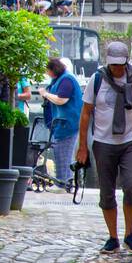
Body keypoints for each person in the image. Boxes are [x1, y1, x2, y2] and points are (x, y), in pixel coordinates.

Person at [76, 41, 132, 253]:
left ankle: (130, 234)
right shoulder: (97, 79)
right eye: (113, 65)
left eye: (120, 64)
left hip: (128, 141)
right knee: (106, 192)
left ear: (126, 61)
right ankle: (112, 237)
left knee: (130, 186)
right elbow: (85, 113)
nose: (117, 68)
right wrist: (82, 146)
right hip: (102, 142)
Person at [38, 56, 83, 187]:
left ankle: (65, 184)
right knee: (60, 154)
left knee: (64, 155)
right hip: (61, 123)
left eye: (47, 70)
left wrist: (45, 94)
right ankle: (63, 183)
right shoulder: (59, 79)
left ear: (53, 69)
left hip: (68, 124)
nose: (47, 73)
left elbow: (61, 99)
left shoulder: (67, 79)